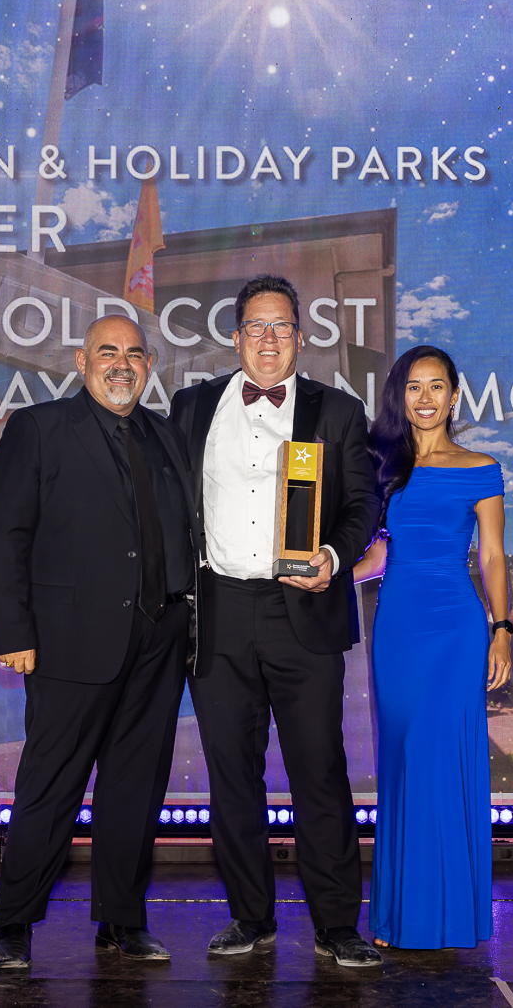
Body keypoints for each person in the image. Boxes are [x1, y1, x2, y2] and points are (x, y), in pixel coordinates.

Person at [169, 275, 382, 967]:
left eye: (281, 326)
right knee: (232, 775)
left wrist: (334, 555)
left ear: (300, 336)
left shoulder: (338, 411)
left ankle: (336, 925)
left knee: (319, 771)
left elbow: (363, 506)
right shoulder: (192, 406)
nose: (268, 339)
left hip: (305, 610)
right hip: (219, 612)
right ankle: (250, 917)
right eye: (256, 327)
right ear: (236, 338)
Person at [0, 315, 195, 971]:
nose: (122, 363)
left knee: (136, 789)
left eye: (134, 353)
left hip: (157, 641)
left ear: (149, 365)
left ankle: (122, 920)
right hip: (68, 643)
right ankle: (14, 924)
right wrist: (13, 631)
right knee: (50, 787)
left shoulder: (164, 433)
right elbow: (1, 530)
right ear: (81, 360)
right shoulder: (39, 428)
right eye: (108, 351)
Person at [353, 344, 511, 950]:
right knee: (402, 758)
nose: (425, 398)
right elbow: (380, 553)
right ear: (400, 395)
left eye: (436, 386)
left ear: (454, 395)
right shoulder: (382, 464)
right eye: (413, 386)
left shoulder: (481, 467)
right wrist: (328, 574)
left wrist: (502, 629)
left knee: (440, 756)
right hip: (397, 626)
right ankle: (402, 915)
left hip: (455, 629)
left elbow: (491, 556)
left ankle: (445, 915)